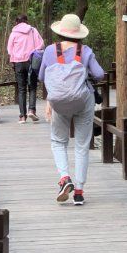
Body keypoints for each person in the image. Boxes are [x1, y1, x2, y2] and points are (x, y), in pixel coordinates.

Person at [39, 13, 104, 206]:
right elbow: (99, 74)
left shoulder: (50, 51)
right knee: (82, 146)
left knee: (59, 141)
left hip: (59, 102)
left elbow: (42, 76)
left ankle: (65, 178)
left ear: (60, 32)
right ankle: (79, 192)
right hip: (83, 101)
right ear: (79, 34)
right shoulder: (85, 51)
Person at [7, 14, 44, 123]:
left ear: (16, 22)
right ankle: (31, 110)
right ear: (26, 21)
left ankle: (22, 116)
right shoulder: (33, 30)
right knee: (32, 87)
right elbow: (41, 44)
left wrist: (15, 55)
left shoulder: (13, 33)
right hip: (31, 61)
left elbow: (9, 49)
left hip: (18, 63)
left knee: (21, 89)